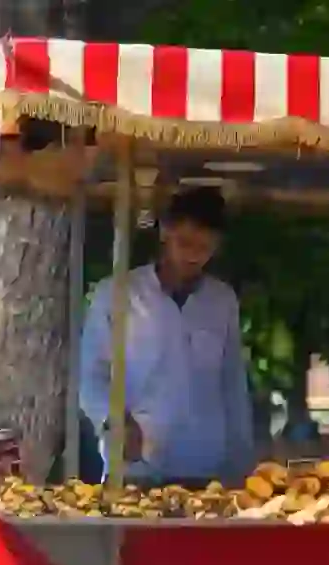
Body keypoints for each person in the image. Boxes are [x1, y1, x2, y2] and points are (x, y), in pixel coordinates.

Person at [80, 187, 254, 486]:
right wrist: (115, 421)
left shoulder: (223, 300)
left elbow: (232, 383)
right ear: (164, 233)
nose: (192, 255)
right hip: (134, 468)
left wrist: (242, 463)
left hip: (205, 467)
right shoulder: (117, 293)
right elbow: (89, 377)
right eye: (184, 242)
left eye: (204, 247)